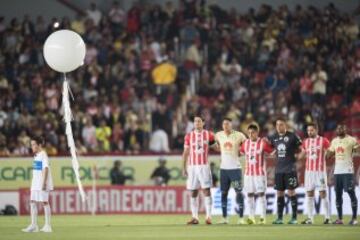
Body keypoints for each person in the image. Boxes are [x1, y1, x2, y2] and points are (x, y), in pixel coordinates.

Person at [267, 117, 302, 224]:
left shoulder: (292, 136)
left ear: (285, 125)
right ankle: (280, 218)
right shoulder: (273, 137)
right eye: (277, 125)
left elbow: (302, 149)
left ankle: (294, 218)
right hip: (279, 170)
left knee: (291, 192)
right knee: (279, 193)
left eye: (281, 124)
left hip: (290, 169)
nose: (278, 127)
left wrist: (297, 159)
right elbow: (271, 149)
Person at [182, 116, 216, 225]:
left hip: (204, 166)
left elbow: (216, 147)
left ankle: (209, 217)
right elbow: (186, 153)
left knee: (206, 190)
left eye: (199, 121)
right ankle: (195, 217)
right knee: (193, 191)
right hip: (192, 167)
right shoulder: (188, 136)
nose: (197, 123)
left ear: (203, 123)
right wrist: (183, 168)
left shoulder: (209, 135)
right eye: (195, 121)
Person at [215, 117, 247, 224]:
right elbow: (215, 145)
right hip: (224, 169)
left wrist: (241, 152)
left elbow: (247, 146)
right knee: (224, 193)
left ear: (231, 124)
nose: (226, 126)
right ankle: (224, 218)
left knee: (239, 192)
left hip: (235, 169)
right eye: (224, 124)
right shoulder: (218, 135)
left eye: (228, 124)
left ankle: (241, 218)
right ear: (222, 125)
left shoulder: (239, 135)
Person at [326, 124, 360, 225]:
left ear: (346, 129)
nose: (339, 130)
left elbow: (358, 150)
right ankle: (340, 219)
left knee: (351, 193)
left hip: (348, 171)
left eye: (342, 128)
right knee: (338, 195)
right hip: (337, 172)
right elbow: (328, 155)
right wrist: (328, 152)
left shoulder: (352, 140)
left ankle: (354, 218)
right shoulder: (334, 141)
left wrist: (357, 148)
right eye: (338, 128)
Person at [240, 124, 273, 224]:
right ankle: (251, 217)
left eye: (252, 132)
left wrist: (271, 143)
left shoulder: (262, 143)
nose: (250, 134)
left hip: (259, 174)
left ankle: (263, 217)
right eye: (249, 133)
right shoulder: (245, 143)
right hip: (248, 173)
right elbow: (240, 153)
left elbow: (271, 152)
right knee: (249, 194)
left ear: (257, 133)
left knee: (261, 194)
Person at [299, 123, 331, 224]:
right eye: (308, 130)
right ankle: (310, 218)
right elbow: (302, 155)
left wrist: (327, 154)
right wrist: (297, 155)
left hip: (320, 172)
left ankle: (327, 218)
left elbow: (330, 152)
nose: (309, 132)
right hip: (309, 172)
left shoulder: (323, 140)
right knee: (309, 193)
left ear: (316, 130)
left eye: (311, 130)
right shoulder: (306, 142)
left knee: (323, 193)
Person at [22, 136, 53, 233]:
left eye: (34, 144)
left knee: (45, 202)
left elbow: (45, 168)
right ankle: (34, 225)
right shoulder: (36, 155)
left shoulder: (43, 154)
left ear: (40, 145)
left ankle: (48, 226)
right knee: (32, 202)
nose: (32, 146)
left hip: (42, 183)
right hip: (35, 183)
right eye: (31, 145)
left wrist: (43, 183)